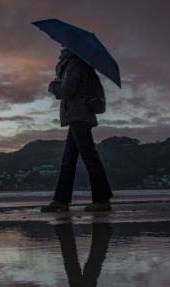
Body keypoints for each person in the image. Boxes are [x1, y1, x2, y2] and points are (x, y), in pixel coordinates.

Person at [41, 47, 114, 212]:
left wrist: (53, 86)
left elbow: (67, 90)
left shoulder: (75, 63)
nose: (60, 48)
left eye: (63, 46)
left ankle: (102, 199)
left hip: (79, 115)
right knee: (69, 160)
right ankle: (61, 200)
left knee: (89, 157)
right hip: (77, 115)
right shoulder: (72, 63)